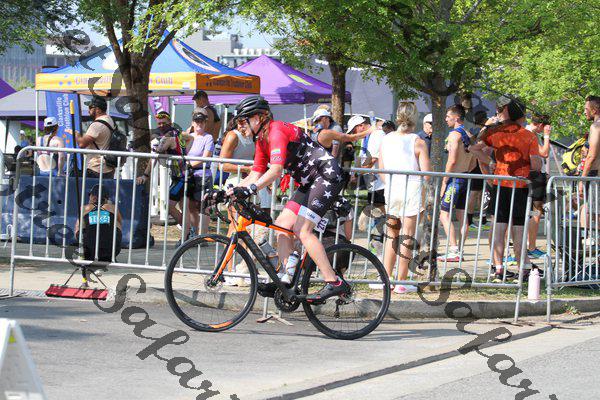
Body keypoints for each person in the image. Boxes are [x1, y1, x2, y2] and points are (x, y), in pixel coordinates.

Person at [228, 95, 347, 302]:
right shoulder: (261, 140)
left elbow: (275, 171)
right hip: (310, 182)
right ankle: (286, 279)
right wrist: (230, 191)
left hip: (326, 176)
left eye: (243, 121)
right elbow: (255, 174)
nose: (240, 126)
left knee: (302, 230)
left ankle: (334, 282)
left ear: (259, 118)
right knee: (282, 225)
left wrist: (251, 190)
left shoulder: (276, 131)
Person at [469, 96, 542, 281]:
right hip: (520, 185)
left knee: (499, 227)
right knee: (518, 230)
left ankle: (499, 268)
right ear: (522, 115)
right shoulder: (529, 136)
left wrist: (491, 162)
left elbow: (474, 148)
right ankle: (522, 269)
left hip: (500, 184)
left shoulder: (496, 132)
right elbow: (536, 164)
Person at [378, 102, 431, 294]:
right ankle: (400, 280)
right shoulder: (418, 141)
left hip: (392, 187)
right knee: (407, 235)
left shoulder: (386, 139)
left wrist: (391, 183)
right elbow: (426, 173)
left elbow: (381, 169)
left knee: (391, 234)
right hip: (412, 188)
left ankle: (386, 278)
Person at [136, 113, 195, 243]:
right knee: (182, 207)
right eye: (159, 124)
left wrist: (145, 175)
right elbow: (191, 138)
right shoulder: (178, 133)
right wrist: (184, 152)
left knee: (169, 205)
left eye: (164, 123)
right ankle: (188, 234)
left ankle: (189, 232)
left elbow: (155, 156)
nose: (162, 126)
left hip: (182, 177)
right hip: (181, 176)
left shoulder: (167, 138)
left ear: (170, 122)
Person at [438, 104, 475, 262]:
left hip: (455, 178)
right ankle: (459, 249)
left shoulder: (454, 135)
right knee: (462, 215)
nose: (446, 119)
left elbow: (452, 160)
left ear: (457, 117)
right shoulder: (469, 134)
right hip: (466, 176)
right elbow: (474, 161)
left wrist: (445, 180)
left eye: (448, 116)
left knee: (444, 214)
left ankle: (454, 250)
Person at [75, 183, 123, 263]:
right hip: (111, 252)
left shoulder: (84, 208)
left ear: (92, 197)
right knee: (116, 222)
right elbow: (120, 223)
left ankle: (83, 252)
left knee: (81, 224)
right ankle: (112, 247)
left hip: (89, 252)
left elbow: (76, 231)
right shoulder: (113, 208)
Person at [526, 114, 551, 259]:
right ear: (541, 125)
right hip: (533, 177)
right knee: (536, 212)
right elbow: (545, 153)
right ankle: (531, 247)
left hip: (533, 176)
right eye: (545, 127)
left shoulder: (529, 132)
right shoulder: (531, 134)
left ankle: (529, 246)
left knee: (532, 212)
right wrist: (546, 136)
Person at [187, 108, 215, 236]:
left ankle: (203, 235)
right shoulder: (189, 137)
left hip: (203, 175)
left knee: (204, 206)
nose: (199, 124)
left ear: (205, 123)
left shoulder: (208, 137)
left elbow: (206, 157)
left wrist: (190, 165)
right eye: (196, 121)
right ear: (192, 122)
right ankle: (195, 233)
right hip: (190, 175)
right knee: (191, 206)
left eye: (202, 121)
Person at [76, 95, 116, 179]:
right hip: (108, 167)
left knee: (92, 187)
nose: (88, 110)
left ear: (98, 109)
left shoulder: (97, 125)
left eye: (90, 108)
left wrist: (76, 134)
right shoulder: (110, 120)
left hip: (96, 167)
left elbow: (82, 144)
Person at [579, 96, 600, 227]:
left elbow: (591, 156)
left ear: (595, 110)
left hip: (595, 175)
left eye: (586, 109)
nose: (584, 112)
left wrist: (582, 179)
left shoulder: (596, 126)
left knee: (595, 213)